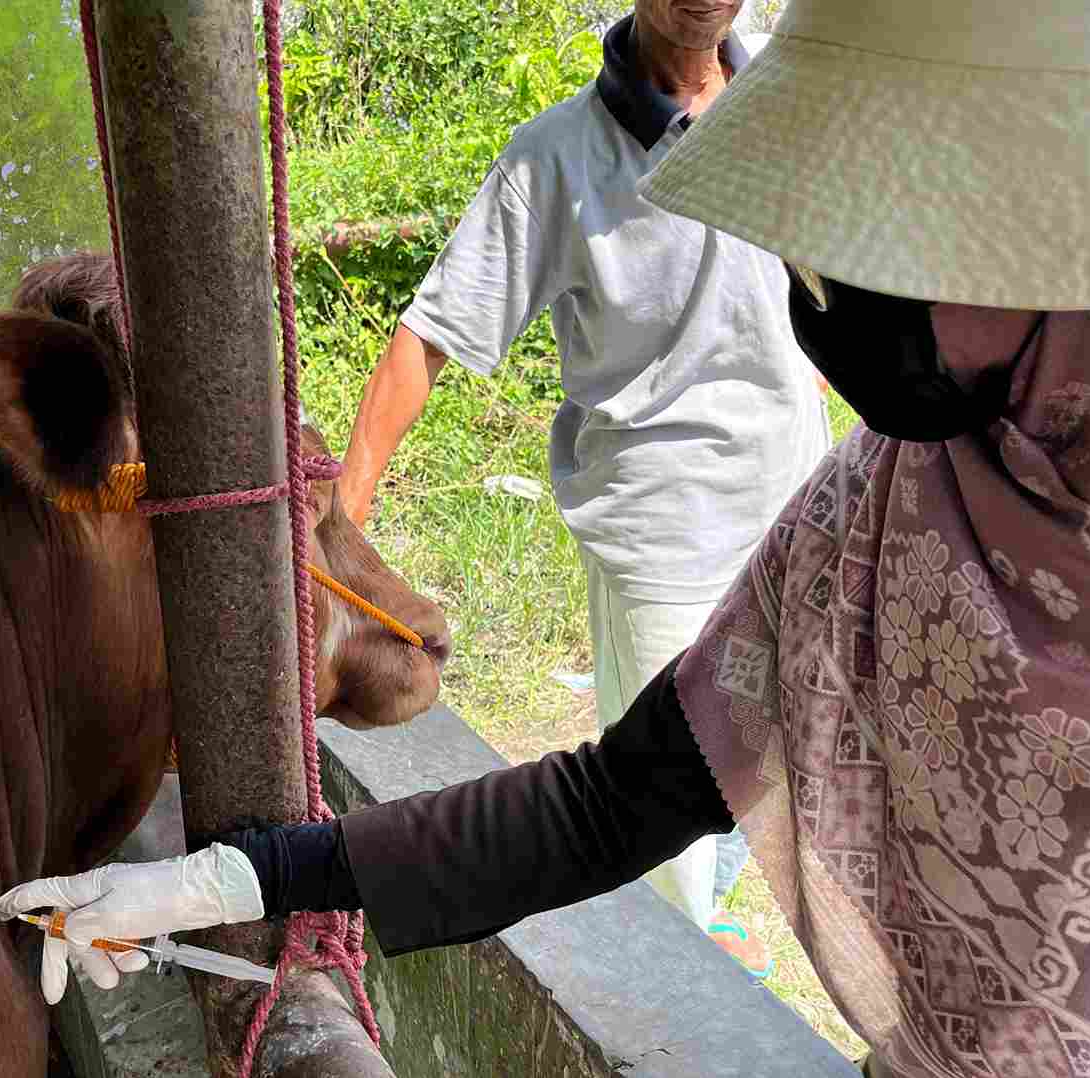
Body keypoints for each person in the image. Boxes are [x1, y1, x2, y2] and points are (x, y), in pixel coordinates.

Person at [0, 0, 1090, 1074]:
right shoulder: (882, 502)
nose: (822, 293)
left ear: (1068, 227)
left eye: (882, 232)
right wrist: (240, 880)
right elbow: (615, 798)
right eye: (819, 234)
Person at [333, 0, 831, 965]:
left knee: (783, 738)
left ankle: (713, 918)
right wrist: (338, 528)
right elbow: (427, 338)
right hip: (661, 529)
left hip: (796, 496)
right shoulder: (552, 159)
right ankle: (690, 982)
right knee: (661, 803)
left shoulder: (789, 81)